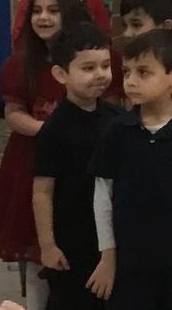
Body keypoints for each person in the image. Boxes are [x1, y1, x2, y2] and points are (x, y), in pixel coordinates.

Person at [88, 30, 172, 309]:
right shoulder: (115, 131)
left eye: (143, 72)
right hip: (131, 262)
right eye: (126, 72)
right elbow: (103, 197)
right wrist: (107, 255)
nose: (131, 81)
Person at [0, 0, 93, 267]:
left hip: (83, 156)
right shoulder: (20, 63)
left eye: (53, 10)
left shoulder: (93, 59)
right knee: (33, 239)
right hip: (32, 157)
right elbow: (13, 113)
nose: (43, 18)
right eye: (37, 11)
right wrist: (51, 131)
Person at [32, 23, 120, 310]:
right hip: (73, 236)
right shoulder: (54, 130)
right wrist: (47, 245)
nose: (100, 75)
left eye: (105, 66)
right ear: (61, 74)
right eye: (88, 68)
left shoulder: (117, 119)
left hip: (111, 231)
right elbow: (43, 190)